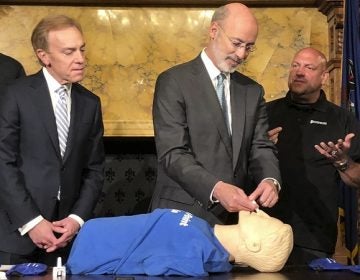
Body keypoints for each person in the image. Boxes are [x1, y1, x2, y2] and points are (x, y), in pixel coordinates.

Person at [150, 3, 281, 226]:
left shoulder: (252, 90)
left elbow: (261, 145)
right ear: (214, 31)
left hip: (235, 219)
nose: (241, 54)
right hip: (182, 213)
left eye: (249, 47)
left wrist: (270, 179)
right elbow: (173, 153)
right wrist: (217, 189)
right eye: (237, 43)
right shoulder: (174, 81)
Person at [0, 15, 105, 266]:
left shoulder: (90, 103)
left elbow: (94, 170)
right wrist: (33, 222)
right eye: (69, 52)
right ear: (44, 56)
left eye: (82, 49)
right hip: (16, 236)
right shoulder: (15, 95)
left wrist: (76, 219)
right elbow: (3, 163)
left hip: (67, 240)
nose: (80, 59)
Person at [266, 47, 360, 264]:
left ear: (324, 77)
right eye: (296, 65)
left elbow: (357, 179)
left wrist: (342, 161)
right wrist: (258, 148)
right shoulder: (265, 113)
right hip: (263, 232)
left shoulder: (342, 120)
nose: (299, 72)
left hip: (314, 239)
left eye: (309, 67)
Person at [65, 208, 293, 276]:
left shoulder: (196, 256)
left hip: (87, 251)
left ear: (254, 244)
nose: (263, 213)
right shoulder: (207, 234)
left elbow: (155, 265)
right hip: (88, 234)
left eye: (267, 222)